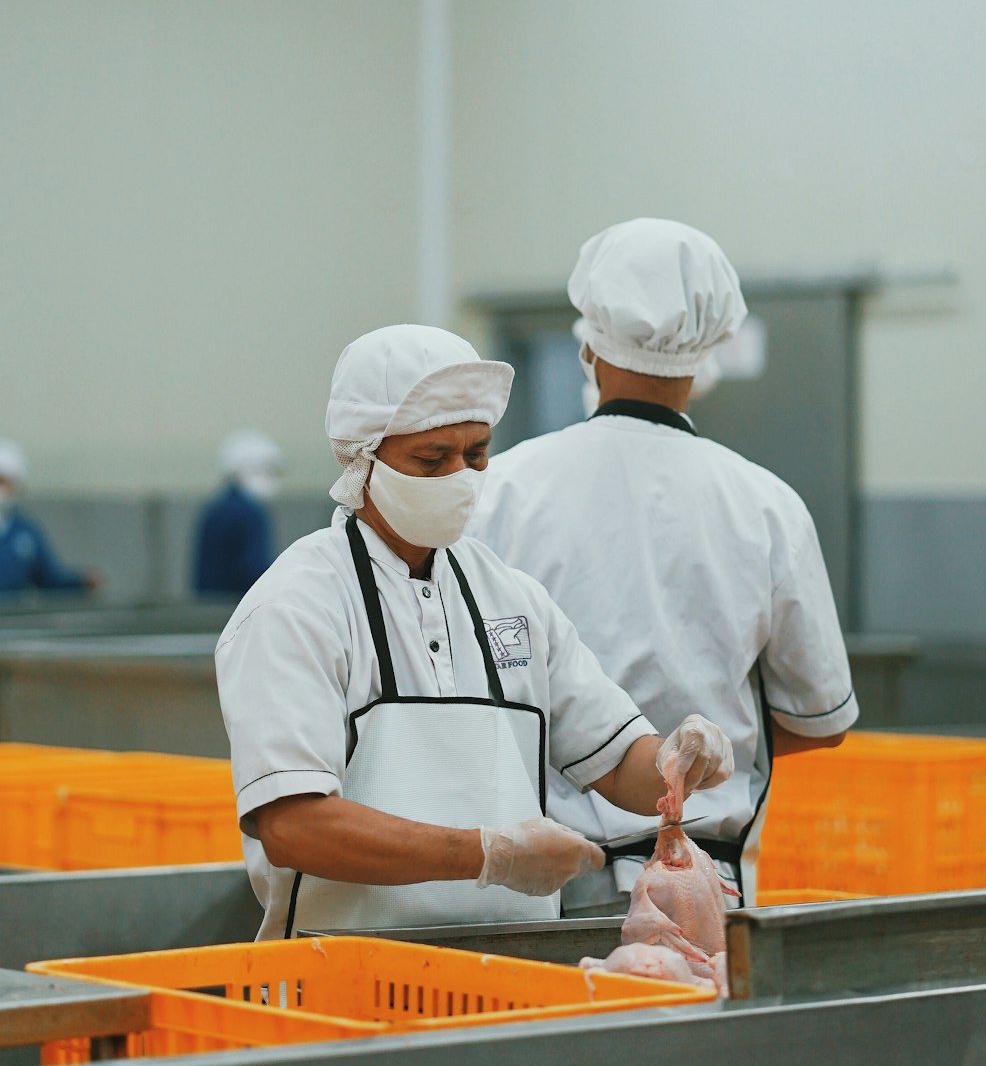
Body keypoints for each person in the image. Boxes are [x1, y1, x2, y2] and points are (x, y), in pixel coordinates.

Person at [215, 325, 734, 939]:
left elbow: (619, 764)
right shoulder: (298, 606)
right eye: (432, 459)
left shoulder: (510, 596)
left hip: (512, 971)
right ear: (362, 458)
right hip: (346, 974)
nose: (461, 475)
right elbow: (293, 825)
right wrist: (485, 856)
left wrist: (676, 762)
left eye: (477, 454)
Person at [472, 219, 858, 908]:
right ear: (710, 346)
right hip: (704, 893)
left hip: (536, 886)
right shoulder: (765, 505)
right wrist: (695, 754)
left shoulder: (502, 488)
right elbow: (817, 720)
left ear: (588, 340)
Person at [193, 431, 285, 599]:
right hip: (239, 608)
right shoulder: (249, 513)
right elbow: (255, 571)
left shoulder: (215, 509)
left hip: (210, 609)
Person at [0, 441, 96, 596]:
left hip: (11, 618)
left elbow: (49, 578)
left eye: (4, 482)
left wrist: (80, 582)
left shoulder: (24, 532)